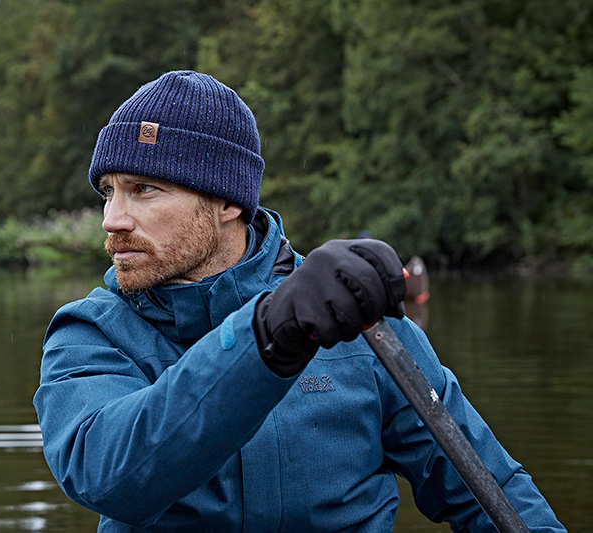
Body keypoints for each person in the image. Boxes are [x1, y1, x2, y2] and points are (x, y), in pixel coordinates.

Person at [33, 70, 565, 532]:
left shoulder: (355, 320)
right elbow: (109, 477)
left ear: (225, 202)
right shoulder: (91, 332)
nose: (112, 219)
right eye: (108, 191)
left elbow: (488, 491)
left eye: (143, 189)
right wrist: (270, 334)